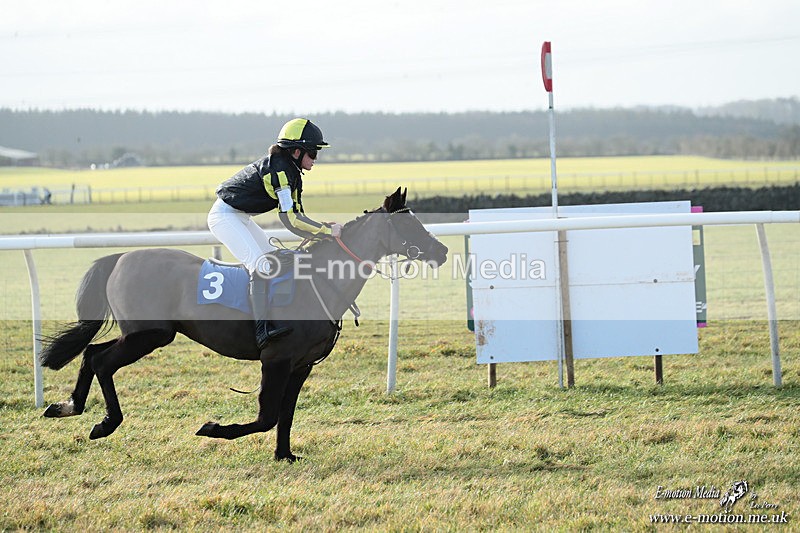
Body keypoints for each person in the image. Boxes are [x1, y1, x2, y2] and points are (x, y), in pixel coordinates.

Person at [207, 118, 342, 349]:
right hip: (225, 217)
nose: (315, 159)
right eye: (313, 153)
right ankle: (261, 331)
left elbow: (298, 214)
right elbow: (290, 220)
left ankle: (278, 314)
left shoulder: (292, 172)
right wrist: (327, 231)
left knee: (275, 258)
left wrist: (322, 231)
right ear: (297, 151)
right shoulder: (279, 170)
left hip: (241, 216)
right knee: (261, 266)